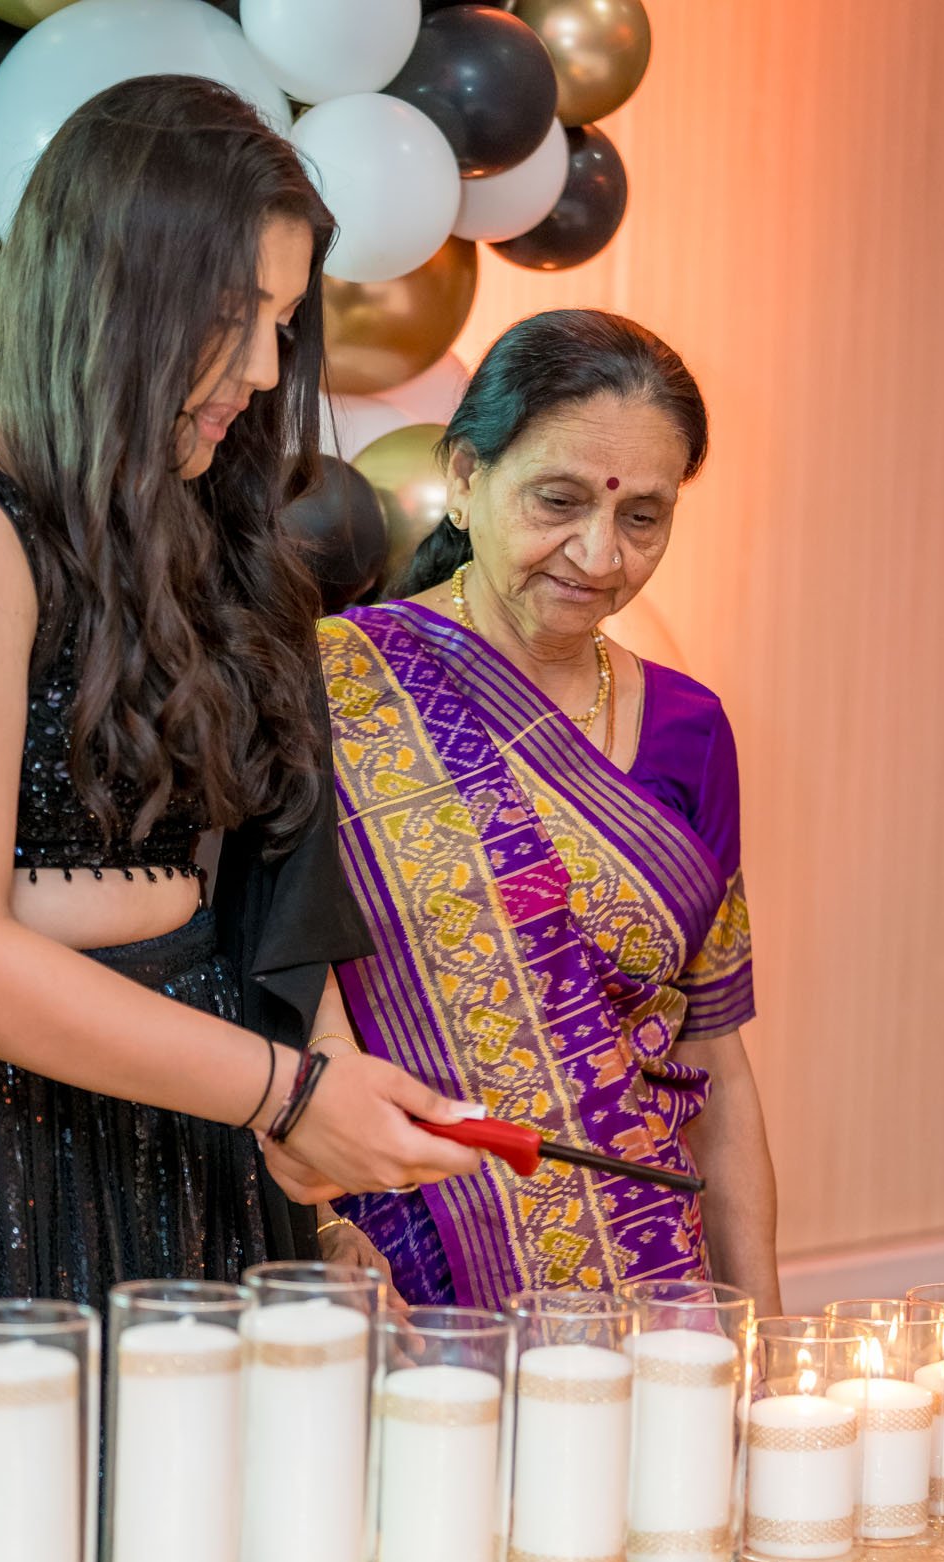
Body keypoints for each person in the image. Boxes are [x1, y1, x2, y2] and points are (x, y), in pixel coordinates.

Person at [0, 76, 476, 1328]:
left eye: (281, 319)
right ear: (108, 288)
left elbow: (264, 862)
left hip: (175, 1106)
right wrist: (282, 1091)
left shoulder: (179, 520)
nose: (267, 369)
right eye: (230, 315)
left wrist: (310, 1112)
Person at [314, 310, 780, 1313]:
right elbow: (255, 1016)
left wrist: (763, 1344)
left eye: (642, 517)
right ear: (467, 477)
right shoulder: (329, 690)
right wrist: (315, 1232)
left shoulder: (690, 728)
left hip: (654, 1296)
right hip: (405, 1290)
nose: (599, 555)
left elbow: (715, 1062)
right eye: (557, 501)